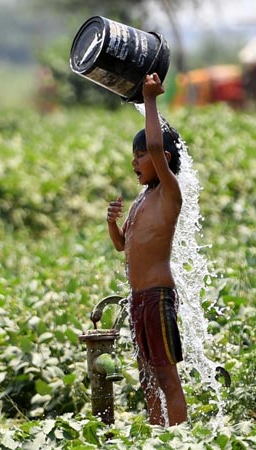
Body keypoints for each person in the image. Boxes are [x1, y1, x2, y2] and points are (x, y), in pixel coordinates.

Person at [106, 73, 188, 426]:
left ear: (163, 158)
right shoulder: (142, 201)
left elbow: (157, 147)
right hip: (138, 299)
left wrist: (149, 100)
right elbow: (123, 245)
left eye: (140, 155)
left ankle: (182, 437)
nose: (135, 162)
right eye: (134, 156)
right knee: (147, 378)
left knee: (167, 376)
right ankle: (157, 436)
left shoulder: (169, 194)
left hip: (157, 298)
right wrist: (112, 224)